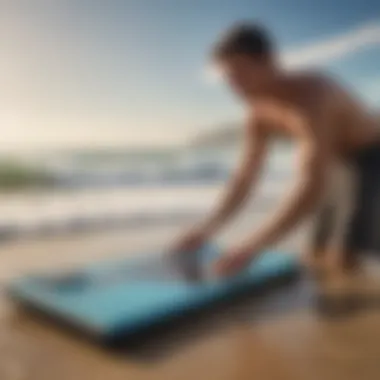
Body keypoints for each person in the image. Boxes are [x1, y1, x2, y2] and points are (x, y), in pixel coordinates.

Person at [172, 22, 380, 278]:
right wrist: (206, 229)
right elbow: (245, 177)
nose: (235, 87)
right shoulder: (258, 115)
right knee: (317, 249)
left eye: (241, 74)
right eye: (229, 78)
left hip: (371, 153)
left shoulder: (313, 95)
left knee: (345, 253)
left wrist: (253, 245)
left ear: (269, 62)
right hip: (336, 159)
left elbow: (309, 182)